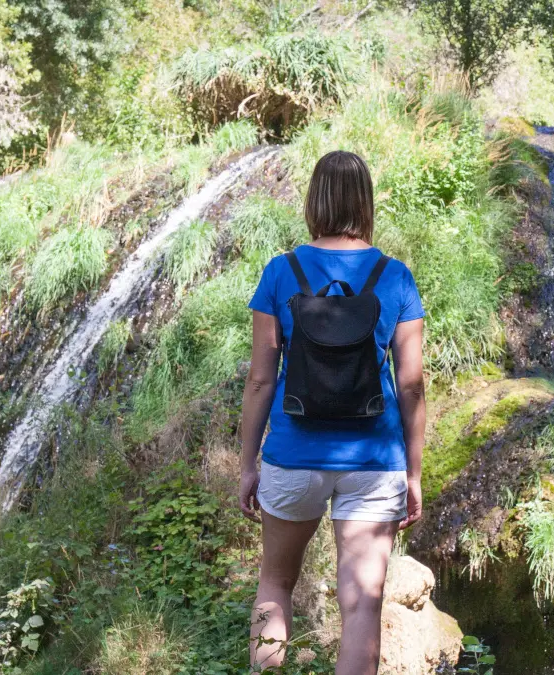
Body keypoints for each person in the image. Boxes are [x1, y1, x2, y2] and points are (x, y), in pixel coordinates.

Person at [237, 150, 426, 675]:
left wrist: (248, 463)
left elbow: (260, 378)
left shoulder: (281, 273)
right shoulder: (395, 277)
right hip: (374, 461)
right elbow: (411, 387)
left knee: (275, 584)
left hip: (293, 455)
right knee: (362, 603)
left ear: (313, 200)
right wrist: (413, 472)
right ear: (365, 202)